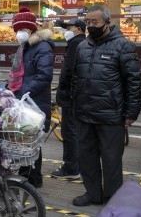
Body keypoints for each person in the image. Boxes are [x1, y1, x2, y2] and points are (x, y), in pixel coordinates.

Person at [71, 5, 141, 206]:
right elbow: (75, 78)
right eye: (88, 22)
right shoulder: (82, 47)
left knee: (111, 160)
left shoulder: (123, 46)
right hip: (84, 113)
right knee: (87, 158)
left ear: (107, 23)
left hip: (111, 115)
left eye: (95, 22)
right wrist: (72, 104)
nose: (90, 26)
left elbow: (134, 81)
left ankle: (113, 198)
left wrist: (131, 112)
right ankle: (93, 194)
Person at [8, 7, 54, 188]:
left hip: (34, 101)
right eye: (17, 30)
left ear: (32, 30)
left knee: (31, 140)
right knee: (26, 139)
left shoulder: (41, 47)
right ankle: (28, 176)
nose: (19, 34)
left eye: (22, 30)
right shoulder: (25, 47)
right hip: (24, 100)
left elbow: (44, 75)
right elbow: (18, 73)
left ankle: (32, 179)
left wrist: (24, 91)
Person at [51, 18, 86, 179]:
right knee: (74, 131)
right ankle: (76, 165)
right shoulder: (79, 43)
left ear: (78, 29)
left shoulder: (76, 44)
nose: (65, 31)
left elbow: (69, 72)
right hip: (76, 96)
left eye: (68, 28)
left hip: (71, 96)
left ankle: (72, 168)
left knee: (69, 131)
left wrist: (64, 92)